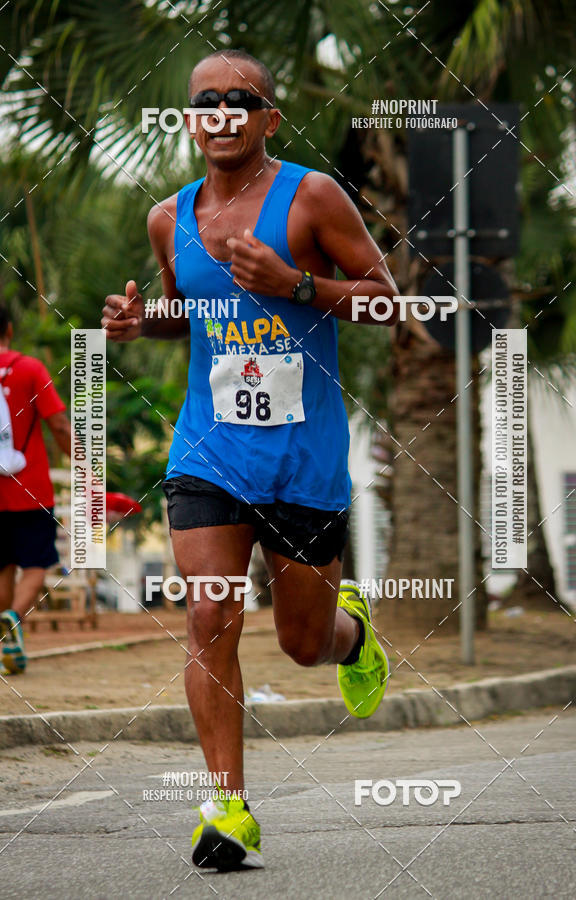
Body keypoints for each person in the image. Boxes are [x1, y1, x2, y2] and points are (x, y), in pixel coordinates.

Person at [103, 49, 398, 871]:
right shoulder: (169, 217)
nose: (223, 112)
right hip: (210, 448)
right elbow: (186, 314)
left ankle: (353, 633)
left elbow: (387, 295)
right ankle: (227, 809)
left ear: (269, 117)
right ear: (191, 120)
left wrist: (298, 285)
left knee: (303, 641)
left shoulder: (311, 196)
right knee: (209, 615)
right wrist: (138, 324)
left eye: (243, 99)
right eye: (206, 101)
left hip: (302, 457)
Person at [0, 305, 71, 673]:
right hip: (30, 491)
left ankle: (6, 645)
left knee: (3, 567)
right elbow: (58, 424)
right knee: (35, 565)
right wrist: (85, 466)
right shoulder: (29, 369)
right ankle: (11, 618)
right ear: (9, 329)